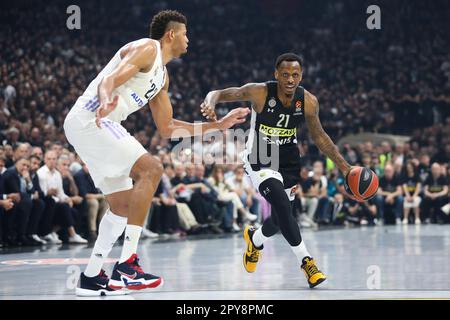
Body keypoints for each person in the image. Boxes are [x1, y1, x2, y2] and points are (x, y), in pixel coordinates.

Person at [63, 10, 249, 296]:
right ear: (171, 34)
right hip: (92, 119)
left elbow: (168, 128)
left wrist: (220, 125)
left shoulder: (162, 77)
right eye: (185, 33)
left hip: (95, 126)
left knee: (123, 207)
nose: (189, 39)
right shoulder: (147, 48)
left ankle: (90, 276)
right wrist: (105, 100)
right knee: (152, 169)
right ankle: (127, 266)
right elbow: (108, 80)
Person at [201, 53, 355, 288]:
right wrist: (210, 102)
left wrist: (345, 167)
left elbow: (320, 137)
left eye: (295, 75)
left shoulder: (309, 101)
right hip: (261, 158)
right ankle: (307, 262)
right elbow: (222, 93)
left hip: (289, 161)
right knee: (283, 207)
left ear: (301, 76)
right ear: (276, 75)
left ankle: (255, 238)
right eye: (285, 75)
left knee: (279, 218)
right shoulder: (260, 92)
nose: (290, 79)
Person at [401, 160, 422, 225]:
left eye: (410, 167)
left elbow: (418, 188)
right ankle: (405, 218)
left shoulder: (417, 176)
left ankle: (417, 218)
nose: (409, 169)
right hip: (407, 195)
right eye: (408, 167)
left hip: (415, 195)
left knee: (416, 200)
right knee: (406, 201)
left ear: (413, 168)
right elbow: (404, 187)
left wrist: (413, 196)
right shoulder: (404, 176)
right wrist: (408, 196)